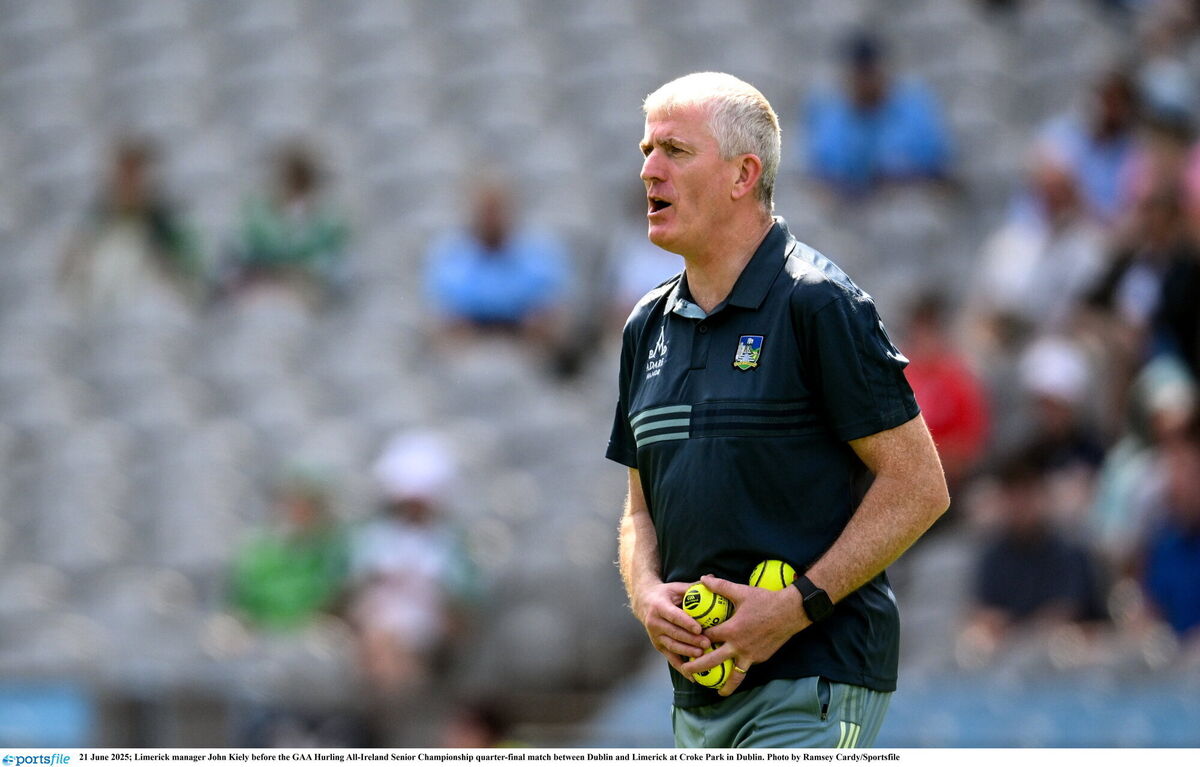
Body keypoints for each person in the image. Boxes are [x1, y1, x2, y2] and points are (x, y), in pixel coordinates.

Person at [608, 73, 949, 749]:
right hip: (699, 695)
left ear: (743, 174)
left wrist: (793, 609)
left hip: (814, 679)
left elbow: (919, 486)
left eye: (674, 151)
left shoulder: (818, 303)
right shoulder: (644, 326)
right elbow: (638, 510)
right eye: (647, 149)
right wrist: (645, 590)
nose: (648, 169)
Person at [60, 138, 204, 314]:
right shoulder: (92, 227)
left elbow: (189, 282)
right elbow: (74, 282)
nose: (131, 184)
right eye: (125, 175)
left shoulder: (169, 226)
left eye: (137, 176)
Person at [804, 32, 953, 197]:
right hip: (856, 208)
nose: (865, 82)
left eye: (869, 72)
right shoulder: (832, 118)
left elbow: (938, 166)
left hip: (912, 198)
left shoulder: (914, 108)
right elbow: (824, 176)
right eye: (859, 74)